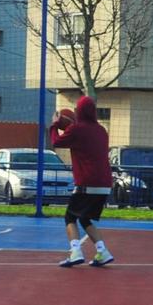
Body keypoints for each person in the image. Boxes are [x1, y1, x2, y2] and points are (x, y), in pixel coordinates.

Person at [48, 96, 114, 267]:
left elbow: (56, 142)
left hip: (87, 182)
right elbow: (86, 143)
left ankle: (75, 251)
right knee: (85, 218)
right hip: (105, 184)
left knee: (69, 217)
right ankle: (102, 251)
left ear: (80, 111)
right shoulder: (101, 130)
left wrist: (55, 124)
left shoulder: (77, 130)